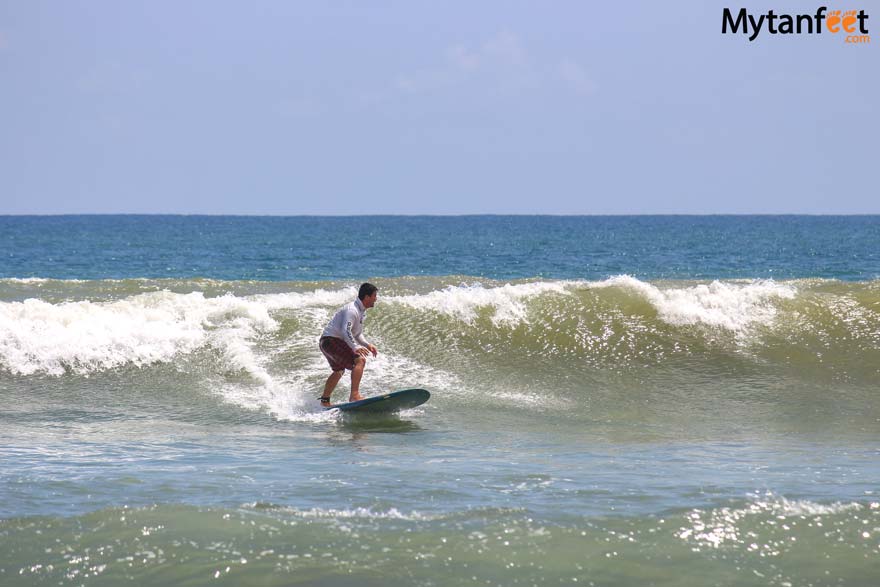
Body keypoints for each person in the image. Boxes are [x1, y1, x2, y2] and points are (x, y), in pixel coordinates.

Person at [317, 283, 379, 407]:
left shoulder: (360, 311)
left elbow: (357, 333)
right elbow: (346, 330)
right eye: (374, 296)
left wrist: (367, 345)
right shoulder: (352, 310)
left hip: (327, 342)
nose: (376, 299)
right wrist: (355, 347)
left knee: (339, 370)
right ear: (367, 297)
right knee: (360, 361)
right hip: (331, 340)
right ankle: (354, 395)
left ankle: (325, 401)